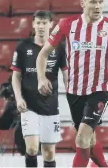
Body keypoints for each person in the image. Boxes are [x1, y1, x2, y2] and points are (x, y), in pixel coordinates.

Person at [36, 0, 108, 167]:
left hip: (100, 89)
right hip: (74, 91)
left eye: (101, 2)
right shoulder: (68, 24)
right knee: (88, 139)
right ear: (83, 3)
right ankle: (105, 166)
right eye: (93, 2)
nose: (97, 6)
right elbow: (43, 54)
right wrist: (42, 78)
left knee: (81, 138)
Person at [11, 10, 68, 167]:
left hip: (50, 106)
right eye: (38, 23)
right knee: (32, 147)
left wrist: (72, 94)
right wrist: (19, 98)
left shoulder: (59, 47)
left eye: (44, 23)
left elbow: (66, 73)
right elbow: (16, 76)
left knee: (49, 152)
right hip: (29, 106)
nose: (41, 26)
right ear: (33, 24)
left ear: (51, 24)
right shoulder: (23, 46)